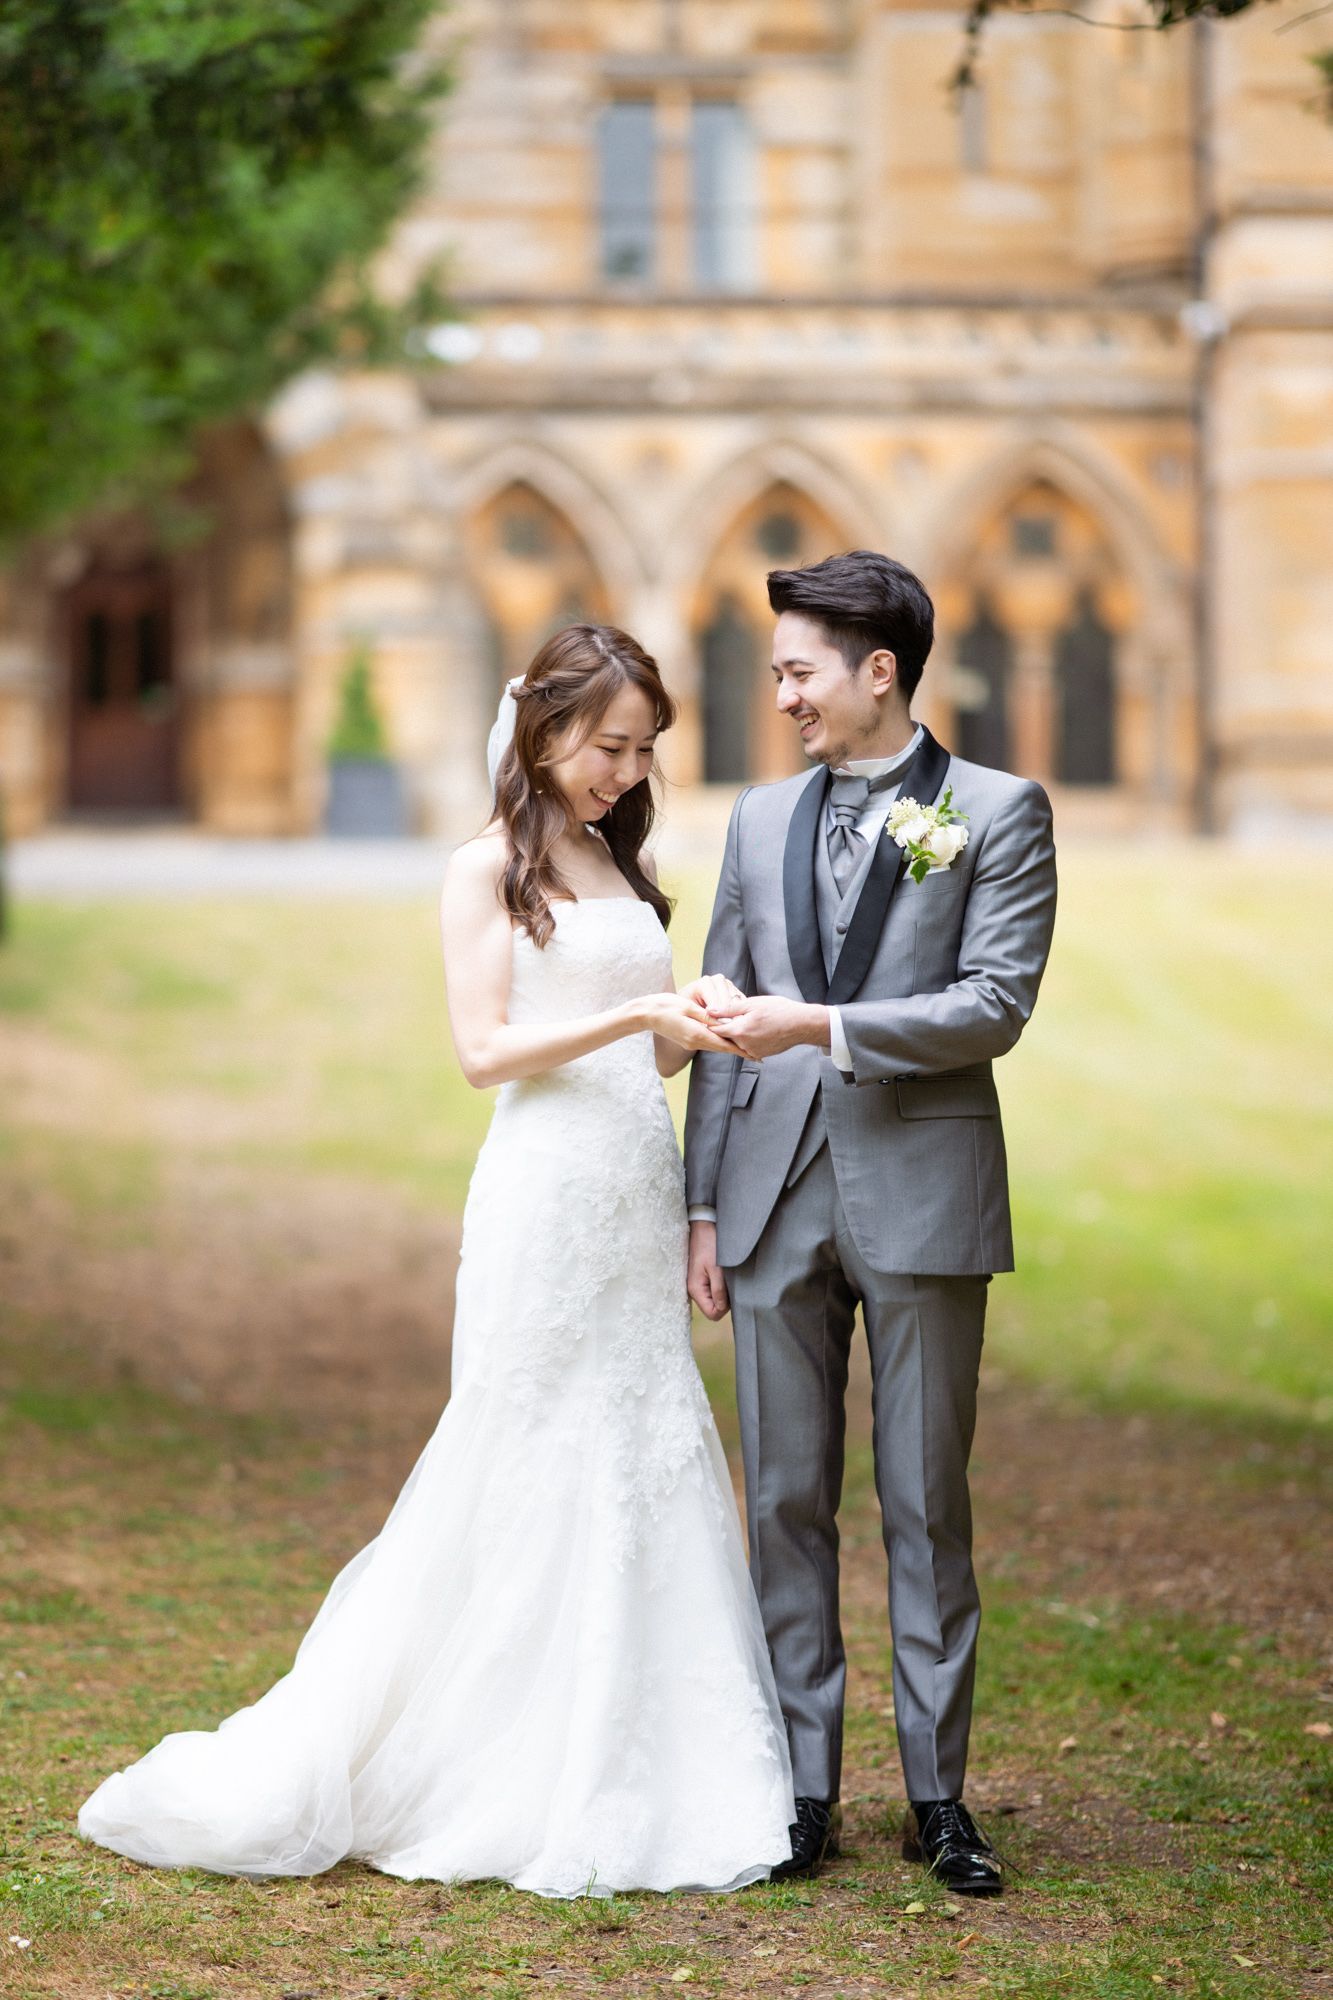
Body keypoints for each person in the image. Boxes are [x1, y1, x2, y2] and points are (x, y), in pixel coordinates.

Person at [78, 623, 795, 1898]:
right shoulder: (483, 870)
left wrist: (694, 1023)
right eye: (607, 746)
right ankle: (483, 1752)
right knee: (525, 1446)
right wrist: (635, 1009)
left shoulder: (612, 860)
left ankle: (648, 1751)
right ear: (544, 728)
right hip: (543, 1196)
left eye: (641, 752)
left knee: (641, 1438)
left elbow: (640, 1054)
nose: (624, 773)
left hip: (630, 1185)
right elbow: (484, 1053)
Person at [684, 551, 1057, 1897]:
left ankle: (938, 1796)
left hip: (923, 1193)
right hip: (773, 1204)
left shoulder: (998, 811)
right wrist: (704, 1205)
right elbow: (725, 1022)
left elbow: (994, 1006)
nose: (779, 693)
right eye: (777, 670)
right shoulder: (755, 819)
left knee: (923, 1502)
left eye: (797, 670)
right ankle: (800, 1791)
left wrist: (825, 1026)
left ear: (877, 671)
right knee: (783, 1499)